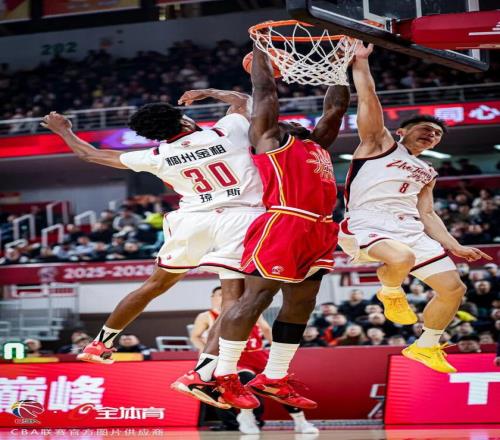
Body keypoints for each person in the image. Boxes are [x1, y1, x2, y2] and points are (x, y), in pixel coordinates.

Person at [41, 87, 264, 408]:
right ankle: (202, 373)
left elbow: (90, 155)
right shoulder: (225, 132)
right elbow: (242, 101)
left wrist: (64, 130)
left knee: (154, 285)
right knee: (233, 300)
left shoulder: (156, 155)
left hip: (190, 221)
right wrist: (207, 92)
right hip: (238, 217)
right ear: (184, 121)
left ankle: (100, 343)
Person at [338, 42, 492, 374]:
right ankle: (390, 292)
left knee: (454, 289)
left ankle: (426, 345)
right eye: (426, 129)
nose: (432, 135)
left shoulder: (428, 171)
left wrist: (454, 245)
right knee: (401, 258)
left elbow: (428, 214)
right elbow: (368, 99)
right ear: (402, 131)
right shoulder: (379, 144)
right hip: (368, 222)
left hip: (410, 227)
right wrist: (361, 63)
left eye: (437, 135)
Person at [212, 40, 349, 409]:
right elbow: (265, 92)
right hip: (284, 222)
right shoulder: (270, 140)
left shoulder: (317, 145)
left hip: (321, 229)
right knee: (257, 298)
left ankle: (274, 377)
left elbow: (335, 109)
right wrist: (261, 48)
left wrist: (342, 65)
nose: (293, 121)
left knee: (302, 303)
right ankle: (223, 376)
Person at [183, 286, 318, 434]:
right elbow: (195, 337)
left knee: (278, 385)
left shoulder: (249, 309)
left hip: (258, 354)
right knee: (245, 381)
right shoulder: (206, 316)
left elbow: (266, 329)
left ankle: (300, 421)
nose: (225, 296)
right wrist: (208, 351)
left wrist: (277, 349)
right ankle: (246, 416)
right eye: (220, 294)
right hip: (235, 357)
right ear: (213, 298)